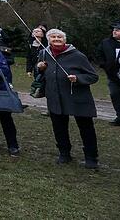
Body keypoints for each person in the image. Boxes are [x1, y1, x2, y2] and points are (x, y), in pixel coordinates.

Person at [37, 28, 100, 169]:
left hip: (78, 97)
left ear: (65, 40)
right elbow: (41, 73)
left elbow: (93, 76)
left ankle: (91, 157)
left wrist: (78, 78)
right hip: (54, 96)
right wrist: (39, 68)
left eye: (59, 37)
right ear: (48, 40)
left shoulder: (78, 56)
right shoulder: (44, 53)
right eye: (53, 37)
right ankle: (64, 153)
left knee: (86, 127)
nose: (56, 39)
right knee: (59, 127)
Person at [96, 23, 120, 126]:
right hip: (113, 75)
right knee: (115, 95)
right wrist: (104, 66)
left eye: (117, 30)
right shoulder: (106, 42)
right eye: (114, 29)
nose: (114, 31)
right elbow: (99, 54)